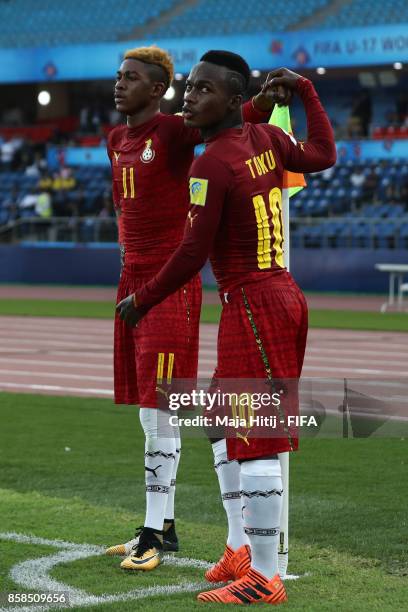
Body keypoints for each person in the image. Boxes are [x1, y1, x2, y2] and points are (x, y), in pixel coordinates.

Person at [117, 51, 336, 603]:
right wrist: (307, 92)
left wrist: (143, 299)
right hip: (277, 295)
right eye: (189, 87)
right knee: (220, 416)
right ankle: (240, 547)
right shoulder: (267, 142)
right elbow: (324, 154)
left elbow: (192, 251)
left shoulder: (210, 163)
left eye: (203, 90)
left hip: (253, 303)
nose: (190, 97)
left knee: (256, 441)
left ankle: (265, 576)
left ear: (236, 101)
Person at [104, 45, 280, 571]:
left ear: (158, 91)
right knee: (147, 408)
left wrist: (267, 98)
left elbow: (236, 114)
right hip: (131, 278)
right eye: (118, 76)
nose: (119, 84)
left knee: (165, 407)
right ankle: (165, 524)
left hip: (168, 283)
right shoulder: (115, 139)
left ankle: (155, 533)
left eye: (131, 78)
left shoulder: (177, 132)